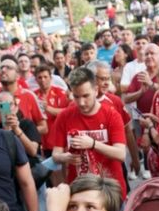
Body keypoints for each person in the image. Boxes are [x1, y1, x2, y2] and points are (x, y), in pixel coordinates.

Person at [50, 67, 129, 198]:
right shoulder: (64, 116)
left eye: (86, 96)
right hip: (80, 190)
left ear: (96, 90)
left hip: (110, 191)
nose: (81, 102)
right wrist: (66, 157)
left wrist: (92, 143)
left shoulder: (111, 115)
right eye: (76, 96)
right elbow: (55, 155)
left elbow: (121, 154)